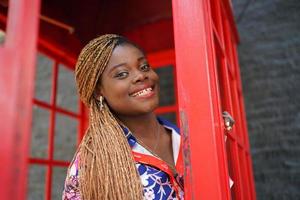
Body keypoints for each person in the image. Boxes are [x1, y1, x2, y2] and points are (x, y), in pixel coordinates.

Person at [62, 34, 184, 200]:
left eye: (144, 66)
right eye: (122, 74)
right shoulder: (90, 165)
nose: (141, 75)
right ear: (99, 91)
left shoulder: (186, 137)